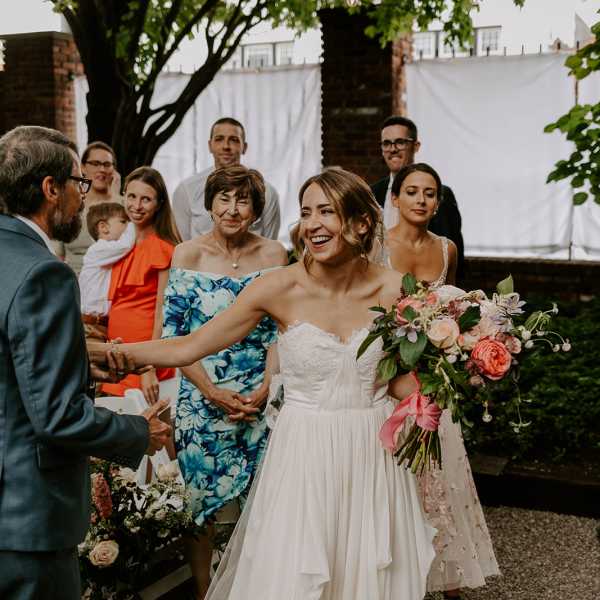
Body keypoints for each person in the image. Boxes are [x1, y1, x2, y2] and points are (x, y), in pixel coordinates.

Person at [89, 167, 437, 600]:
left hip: (373, 453)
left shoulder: (397, 291)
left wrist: (444, 385)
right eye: (306, 212)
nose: (312, 224)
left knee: (368, 574)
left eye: (326, 211)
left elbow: (399, 379)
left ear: (361, 223)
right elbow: (188, 346)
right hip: (305, 452)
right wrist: (103, 354)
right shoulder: (278, 287)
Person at [0, 125, 171, 600]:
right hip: (25, 519)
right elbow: (57, 416)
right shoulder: (44, 273)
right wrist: (139, 432)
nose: (84, 197)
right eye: (78, 183)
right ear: (50, 189)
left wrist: (75, 365)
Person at [161, 165, 287, 597]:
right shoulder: (186, 255)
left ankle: (254, 588)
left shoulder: (274, 255)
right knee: (200, 509)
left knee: (264, 503)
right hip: (201, 397)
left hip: (259, 397)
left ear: (256, 209)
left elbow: (280, 330)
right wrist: (211, 391)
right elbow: (173, 336)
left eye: (243, 200)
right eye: (224, 199)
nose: (233, 209)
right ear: (210, 204)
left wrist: (268, 387)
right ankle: (203, 592)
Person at [385, 162, 500, 599]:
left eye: (429, 193)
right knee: (395, 480)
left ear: (438, 203)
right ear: (395, 198)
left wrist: (461, 349)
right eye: (412, 191)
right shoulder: (376, 246)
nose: (420, 199)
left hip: (435, 383)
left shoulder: (447, 249)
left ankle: (447, 576)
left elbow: (453, 308)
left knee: (439, 479)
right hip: (389, 380)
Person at [102, 166, 182, 402]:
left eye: (146, 199)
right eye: (131, 196)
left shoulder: (164, 249)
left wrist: (149, 366)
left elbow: (163, 313)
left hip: (145, 356)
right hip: (117, 351)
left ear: (159, 204)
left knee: (148, 420)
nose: (136, 206)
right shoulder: (119, 245)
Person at [371, 115, 465, 282]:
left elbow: (454, 267)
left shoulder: (443, 195)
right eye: (386, 143)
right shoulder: (371, 192)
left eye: (400, 142)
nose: (393, 149)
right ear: (395, 198)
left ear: (415, 146)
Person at [172, 117, 281, 241]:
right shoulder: (186, 190)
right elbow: (182, 243)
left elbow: (269, 243)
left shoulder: (267, 192)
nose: (226, 146)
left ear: (244, 147)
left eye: (234, 140)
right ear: (210, 145)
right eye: (219, 139)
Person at [54, 141, 123, 274]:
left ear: (114, 170)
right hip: (75, 277)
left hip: (115, 279)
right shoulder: (69, 205)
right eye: (95, 163)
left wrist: (116, 198)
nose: (102, 169)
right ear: (83, 167)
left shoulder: (126, 205)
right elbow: (56, 254)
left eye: (107, 164)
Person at [79, 202, 135, 340]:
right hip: (90, 323)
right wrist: (135, 222)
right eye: (123, 222)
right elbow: (125, 245)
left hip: (103, 323)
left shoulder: (110, 254)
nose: (127, 225)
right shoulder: (98, 249)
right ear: (103, 227)